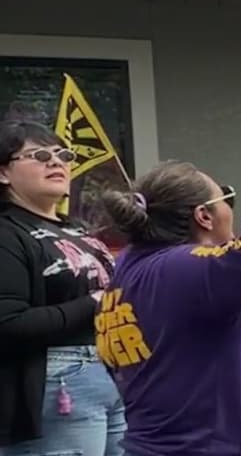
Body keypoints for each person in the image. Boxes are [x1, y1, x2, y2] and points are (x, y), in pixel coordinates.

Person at [95, 106, 241, 456]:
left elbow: (173, 359)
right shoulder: (180, 268)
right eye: (227, 197)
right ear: (203, 215)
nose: (233, 207)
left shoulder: (128, 269)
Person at [0, 121, 124, 455]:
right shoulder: (8, 233)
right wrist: (96, 301)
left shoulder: (81, 232)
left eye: (63, 154)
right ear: (4, 174)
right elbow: (8, 322)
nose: (56, 162)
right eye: (39, 155)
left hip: (112, 374)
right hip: (57, 382)